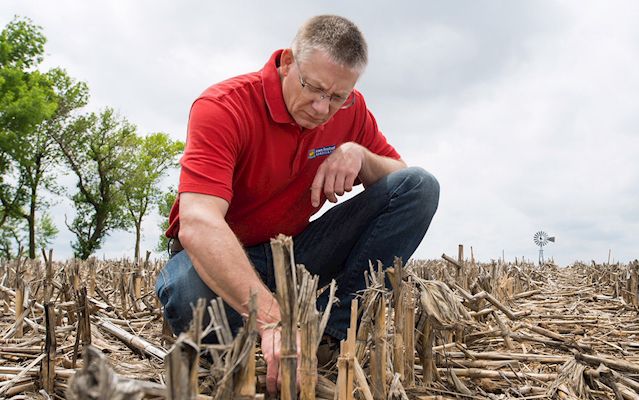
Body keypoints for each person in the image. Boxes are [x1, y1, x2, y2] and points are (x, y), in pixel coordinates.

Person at [155, 15, 439, 394]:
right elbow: (199, 223)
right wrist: (273, 322)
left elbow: (400, 178)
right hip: (218, 254)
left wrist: (360, 155)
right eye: (314, 88)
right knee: (191, 295)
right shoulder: (223, 107)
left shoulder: (351, 109)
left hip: (292, 253)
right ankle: (244, 347)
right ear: (288, 62)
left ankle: (332, 336)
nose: (323, 108)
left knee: (420, 186)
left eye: (337, 97)